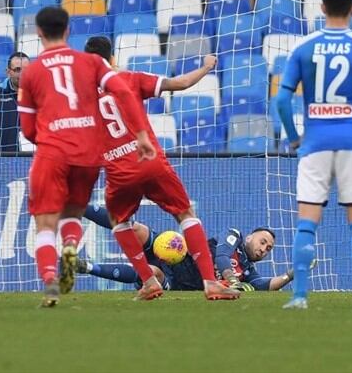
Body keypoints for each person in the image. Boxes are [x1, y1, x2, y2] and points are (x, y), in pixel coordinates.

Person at [16, 7, 156, 307]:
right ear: (68, 31)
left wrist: (51, 140)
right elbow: (122, 91)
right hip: (87, 153)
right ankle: (70, 243)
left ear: (38, 33)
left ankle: (50, 281)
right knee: (73, 212)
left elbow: (27, 129)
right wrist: (142, 134)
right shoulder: (91, 62)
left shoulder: (32, 73)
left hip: (52, 151)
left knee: (45, 224)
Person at [83, 35, 240, 301]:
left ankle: (148, 281)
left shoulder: (81, 99)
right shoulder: (129, 78)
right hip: (150, 160)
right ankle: (211, 283)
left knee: (119, 222)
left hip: (119, 170)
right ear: (112, 58)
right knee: (185, 214)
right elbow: (181, 83)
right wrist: (206, 66)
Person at [276, 0, 352, 310]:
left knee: (307, 222)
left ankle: (299, 296)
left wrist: (294, 138)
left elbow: (282, 100)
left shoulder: (303, 47)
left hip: (315, 143)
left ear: (322, 7)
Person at [78, 206, 294, 292]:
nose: (264, 249)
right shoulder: (234, 236)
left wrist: (292, 274)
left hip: (177, 281)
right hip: (177, 251)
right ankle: (77, 205)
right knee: (135, 229)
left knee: (150, 273)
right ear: (249, 237)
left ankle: (86, 267)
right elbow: (221, 256)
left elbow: (265, 286)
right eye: (262, 242)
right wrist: (231, 278)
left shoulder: (248, 273)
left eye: (268, 248)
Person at [0, 52, 30, 152]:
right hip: (3, 160)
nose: (23, 74)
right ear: (8, 72)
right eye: (18, 70)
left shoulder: (39, 95)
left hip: (36, 158)